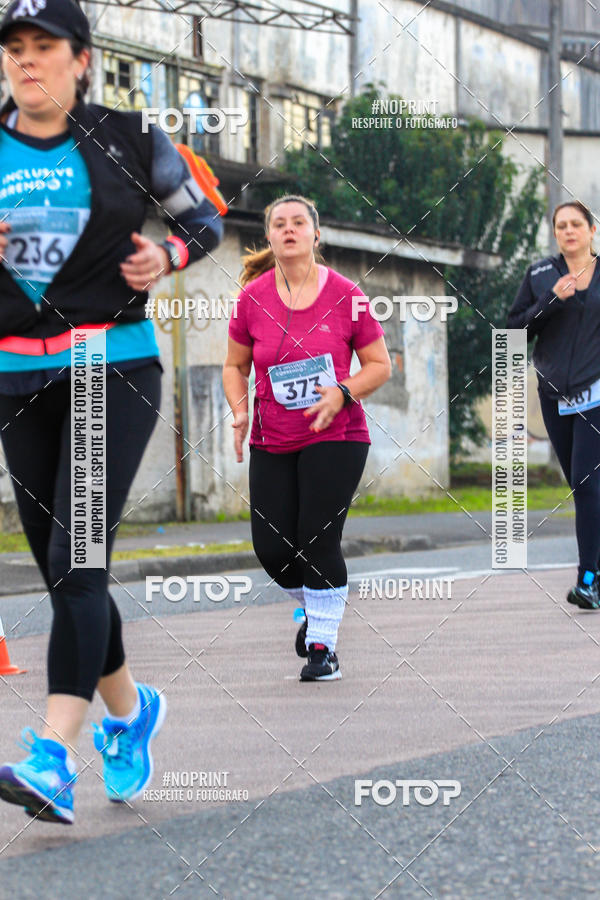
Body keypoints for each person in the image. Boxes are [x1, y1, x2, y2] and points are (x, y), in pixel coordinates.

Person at [0, 0, 223, 824]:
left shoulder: (131, 138)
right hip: (13, 374)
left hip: (109, 362)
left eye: (45, 48)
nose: (28, 62)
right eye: (15, 49)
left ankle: (52, 755)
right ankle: (131, 715)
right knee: (66, 576)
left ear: (82, 59)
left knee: (76, 559)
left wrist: (166, 253)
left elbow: (205, 216)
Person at [223, 195, 391, 681]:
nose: (290, 230)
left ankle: (323, 647)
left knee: (318, 540)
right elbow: (234, 366)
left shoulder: (346, 294)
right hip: (272, 437)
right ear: (270, 236)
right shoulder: (252, 298)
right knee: (273, 550)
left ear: (316, 235)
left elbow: (380, 365)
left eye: (300, 223)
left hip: (335, 434)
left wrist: (343, 391)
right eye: (280, 224)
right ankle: (318, 610)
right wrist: (239, 411)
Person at [507, 200, 600, 610]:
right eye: (560, 225)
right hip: (555, 397)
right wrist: (551, 299)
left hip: (597, 392)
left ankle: (587, 578)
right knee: (584, 488)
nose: (568, 231)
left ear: (592, 230)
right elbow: (512, 331)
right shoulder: (541, 274)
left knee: (586, 481)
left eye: (576, 224)